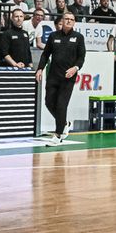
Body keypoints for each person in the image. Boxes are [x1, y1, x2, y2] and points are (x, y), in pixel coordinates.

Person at [35, 11, 86, 145]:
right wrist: (40, 69)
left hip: (68, 78)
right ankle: (64, 123)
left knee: (61, 105)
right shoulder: (53, 36)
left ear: (74, 22)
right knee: (49, 103)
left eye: (71, 19)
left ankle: (58, 135)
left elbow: (81, 57)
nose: (69, 21)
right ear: (62, 21)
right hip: (53, 76)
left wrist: (75, 68)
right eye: (66, 19)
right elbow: (45, 55)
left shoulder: (79, 37)